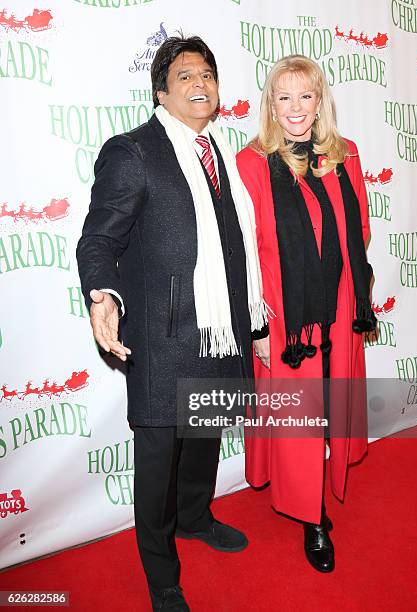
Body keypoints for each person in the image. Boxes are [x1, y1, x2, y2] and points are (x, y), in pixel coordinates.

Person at [76, 36, 267, 611]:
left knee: (205, 438)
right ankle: (161, 574)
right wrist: (102, 294)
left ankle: (195, 518)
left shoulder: (223, 155)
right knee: (158, 461)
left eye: (207, 75)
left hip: (218, 332)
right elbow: (99, 238)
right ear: (161, 90)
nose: (200, 84)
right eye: (185, 76)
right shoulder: (133, 151)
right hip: (161, 336)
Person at [237, 55, 376, 573]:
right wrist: (257, 325)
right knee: (298, 416)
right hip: (284, 315)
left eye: (306, 96)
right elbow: (243, 253)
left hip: (339, 308)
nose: (295, 108)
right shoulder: (251, 163)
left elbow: (359, 231)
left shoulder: (345, 155)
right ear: (271, 104)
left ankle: (319, 493)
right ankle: (311, 517)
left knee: (329, 409)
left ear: (321, 102)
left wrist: (339, 281)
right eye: (284, 96)